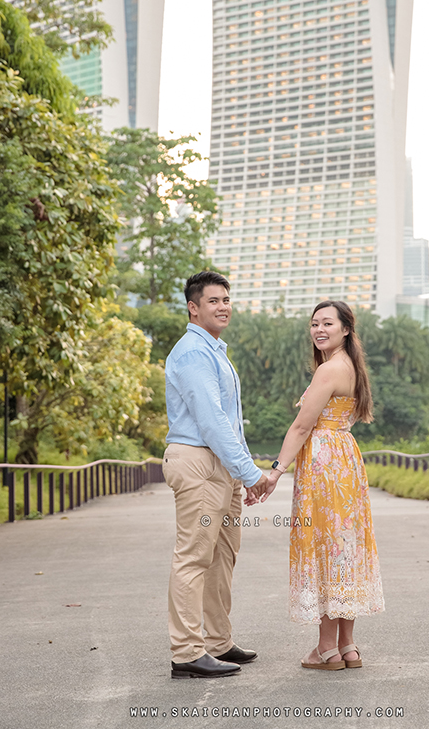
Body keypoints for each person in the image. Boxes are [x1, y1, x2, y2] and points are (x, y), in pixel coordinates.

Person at [259, 300, 384, 670]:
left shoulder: (328, 371)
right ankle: (348, 647)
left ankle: (326, 648)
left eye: (327, 323)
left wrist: (276, 471)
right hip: (345, 458)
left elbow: (301, 427)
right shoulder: (352, 368)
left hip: (323, 463)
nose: (319, 330)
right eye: (314, 324)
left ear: (346, 328)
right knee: (344, 546)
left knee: (326, 546)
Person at [163, 271, 269, 679]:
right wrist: (251, 471)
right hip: (197, 462)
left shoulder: (215, 351)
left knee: (222, 556)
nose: (223, 306)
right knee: (194, 557)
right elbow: (210, 421)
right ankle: (187, 652)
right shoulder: (192, 352)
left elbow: (230, 422)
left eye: (226, 299)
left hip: (221, 468)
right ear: (193, 307)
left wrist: (240, 473)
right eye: (213, 300)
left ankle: (218, 642)